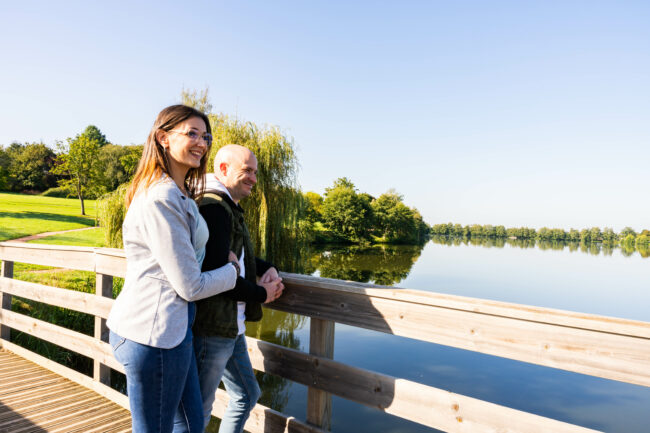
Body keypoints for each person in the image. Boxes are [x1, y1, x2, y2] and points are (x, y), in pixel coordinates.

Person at [106, 105, 241, 433]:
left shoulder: (178, 193)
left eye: (205, 136)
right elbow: (190, 286)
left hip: (172, 332)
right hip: (153, 336)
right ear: (163, 138)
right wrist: (233, 271)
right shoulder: (161, 197)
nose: (202, 142)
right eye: (191, 133)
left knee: (192, 426)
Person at [186, 144, 284, 433]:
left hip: (232, 327)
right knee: (198, 411)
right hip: (212, 328)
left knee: (246, 394)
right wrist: (262, 294)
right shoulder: (214, 207)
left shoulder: (226, 204)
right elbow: (218, 276)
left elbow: (238, 257)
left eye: (255, 172)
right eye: (247, 171)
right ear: (224, 169)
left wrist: (267, 268)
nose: (254, 178)